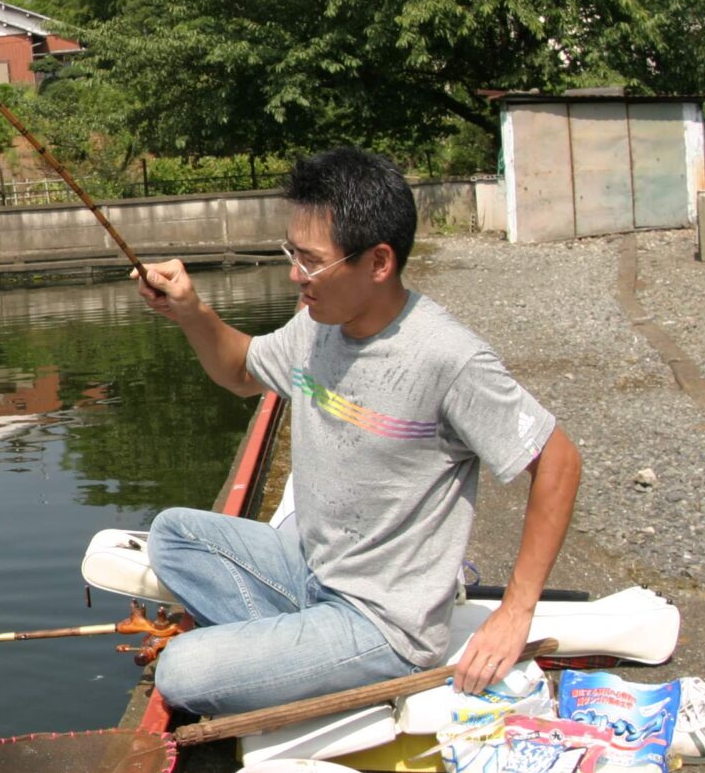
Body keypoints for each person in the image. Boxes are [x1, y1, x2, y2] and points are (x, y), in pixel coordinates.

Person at [132, 146, 580, 716]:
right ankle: (301, 645)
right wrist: (190, 310)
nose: (295, 275)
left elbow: (559, 462)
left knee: (183, 670)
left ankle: (319, 652)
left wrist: (515, 613)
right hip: (309, 565)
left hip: (380, 619)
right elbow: (242, 371)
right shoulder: (317, 324)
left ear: (379, 262)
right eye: (291, 253)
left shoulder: (449, 359)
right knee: (172, 535)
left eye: (310, 261)